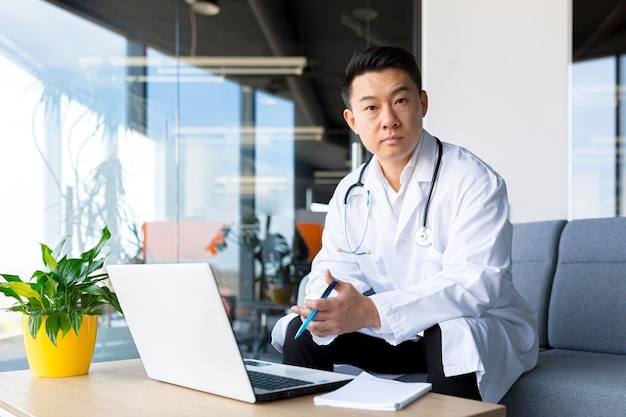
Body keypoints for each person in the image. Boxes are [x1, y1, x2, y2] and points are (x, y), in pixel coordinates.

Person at [271, 46, 538, 403]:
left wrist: (372, 310)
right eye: (371, 107)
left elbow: (476, 283)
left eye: (400, 101)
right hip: (390, 333)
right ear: (352, 120)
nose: (388, 119)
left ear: (422, 104)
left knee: (452, 338)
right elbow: (334, 269)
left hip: (474, 326)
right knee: (302, 332)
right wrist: (323, 303)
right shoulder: (350, 191)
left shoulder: (473, 179)